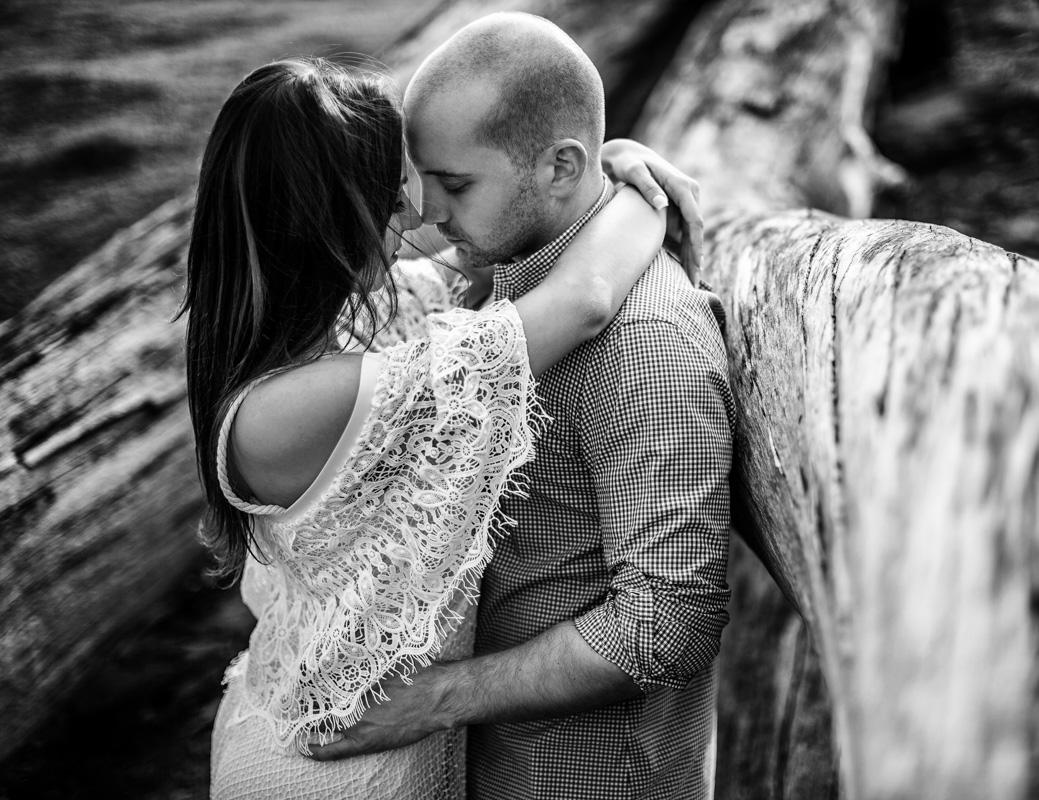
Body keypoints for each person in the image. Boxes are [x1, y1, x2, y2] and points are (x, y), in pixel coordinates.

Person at [183, 57, 703, 799]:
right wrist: (639, 198)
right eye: (391, 188)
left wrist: (601, 164)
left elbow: (480, 251)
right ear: (334, 215)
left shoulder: (322, 329)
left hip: (313, 719)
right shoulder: (295, 410)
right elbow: (584, 297)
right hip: (342, 772)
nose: (415, 210)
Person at [309, 14, 736, 800]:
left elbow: (668, 622)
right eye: (424, 176)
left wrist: (439, 697)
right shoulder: (508, 276)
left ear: (559, 168)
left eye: (457, 184)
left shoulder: (646, 348)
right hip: (490, 764)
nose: (428, 212)